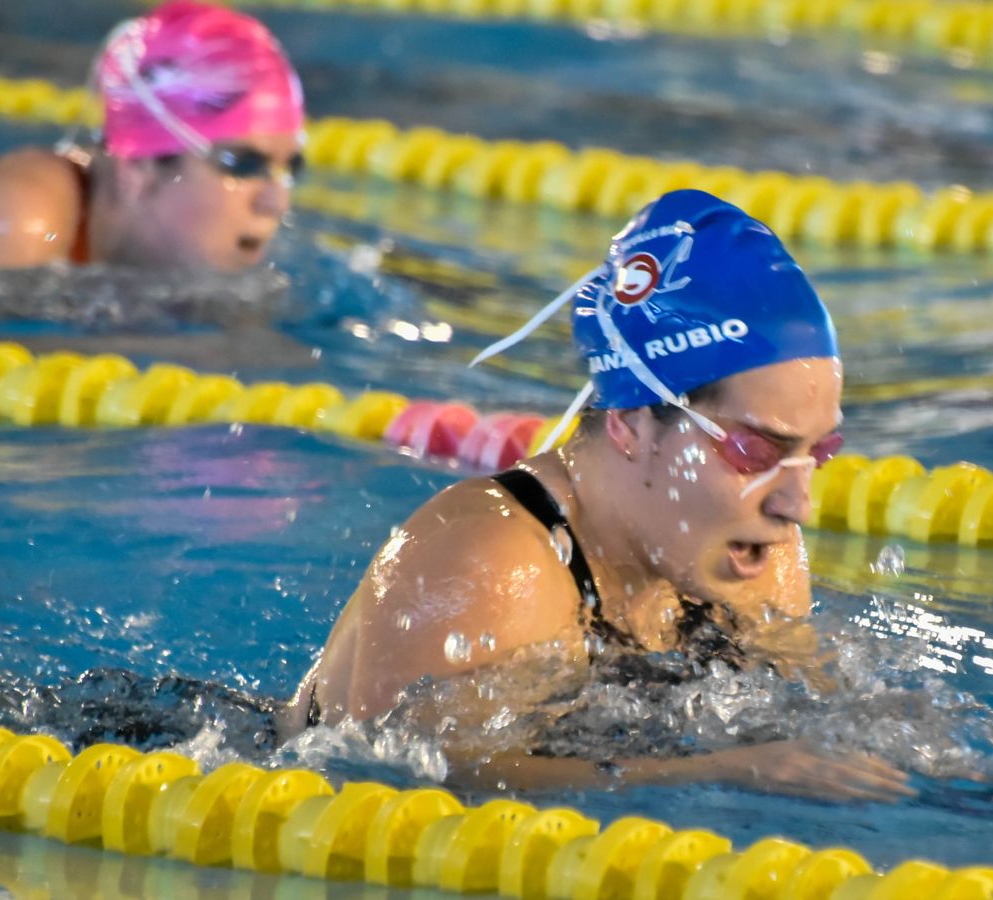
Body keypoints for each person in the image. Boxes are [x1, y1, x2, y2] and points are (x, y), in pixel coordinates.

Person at [282, 189, 910, 801]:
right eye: (757, 452)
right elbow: (404, 785)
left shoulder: (753, 550)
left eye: (817, 453)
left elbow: (823, 722)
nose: (795, 505)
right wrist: (727, 770)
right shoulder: (490, 561)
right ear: (631, 423)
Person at [0, 0, 305, 293]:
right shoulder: (16, 223)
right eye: (241, 164)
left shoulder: (201, 263)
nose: (276, 200)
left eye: (290, 168)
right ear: (138, 169)